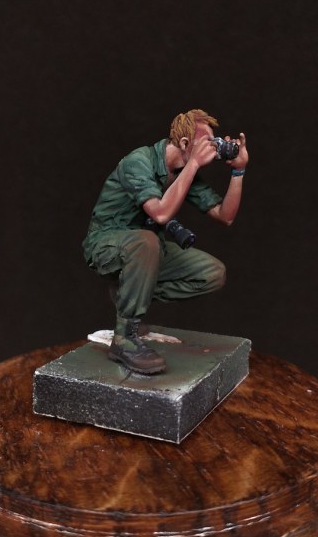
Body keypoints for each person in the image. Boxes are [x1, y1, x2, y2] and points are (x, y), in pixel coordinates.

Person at [82, 109, 249, 374]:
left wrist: (238, 171)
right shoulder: (138, 162)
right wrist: (193, 165)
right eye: (206, 142)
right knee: (146, 241)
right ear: (184, 143)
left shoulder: (184, 170)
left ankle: (127, 293)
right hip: (106, 245)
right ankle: (125, 339)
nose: (211, 148)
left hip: (148, 250)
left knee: (212, 273)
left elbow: (225, 216)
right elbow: (160, 213)